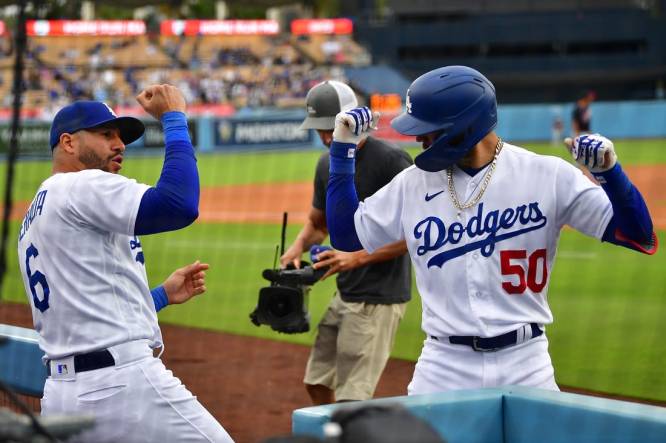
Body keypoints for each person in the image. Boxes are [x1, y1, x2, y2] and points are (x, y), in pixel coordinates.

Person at [323, 66, 657, 395]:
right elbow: (347, 236)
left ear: (465, 125)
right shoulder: (412, 184)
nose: (418, 138)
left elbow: (638, 235)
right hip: (443, 364)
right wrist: (343, 150)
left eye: (429, 130)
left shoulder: (547, 175)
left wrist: (611, 174)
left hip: (527, 362)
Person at [17, 85, 234, 442]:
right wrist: (175, 119)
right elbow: (178, 205)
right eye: (106, 135)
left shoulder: (34, 213)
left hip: (62, 395)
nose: (119, 145)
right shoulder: (79, 186)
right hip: (121, 387)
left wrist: (161, 295)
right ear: (68, 143)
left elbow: (86, 311)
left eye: (121, 137)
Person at [280, 80, 413, 405]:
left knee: (352, 399)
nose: (327, 136)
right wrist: (296, 248)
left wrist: (354, 258)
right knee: (316, 382)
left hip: (380, 298)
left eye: (331, 127)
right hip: (347, 292)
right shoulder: (326, 164)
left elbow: (413, 233)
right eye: (320, 129)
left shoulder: (391, 161)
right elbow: (317, 223)